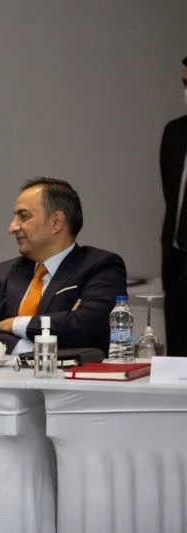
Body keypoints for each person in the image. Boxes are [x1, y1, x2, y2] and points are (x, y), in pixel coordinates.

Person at [0, 177, 127, 355]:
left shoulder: (101, 266)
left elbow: (87, 324)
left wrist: (16, 324)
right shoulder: (4, 273)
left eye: (24, 216)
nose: (12, 227)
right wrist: (32, 351)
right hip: (11, 372)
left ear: (56, 222)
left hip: (72, 373)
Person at [159, 57, 187, 356]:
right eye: (184, 83)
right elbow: (170, 192)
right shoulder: (175, 132)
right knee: (177, 351)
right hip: (176, 256)